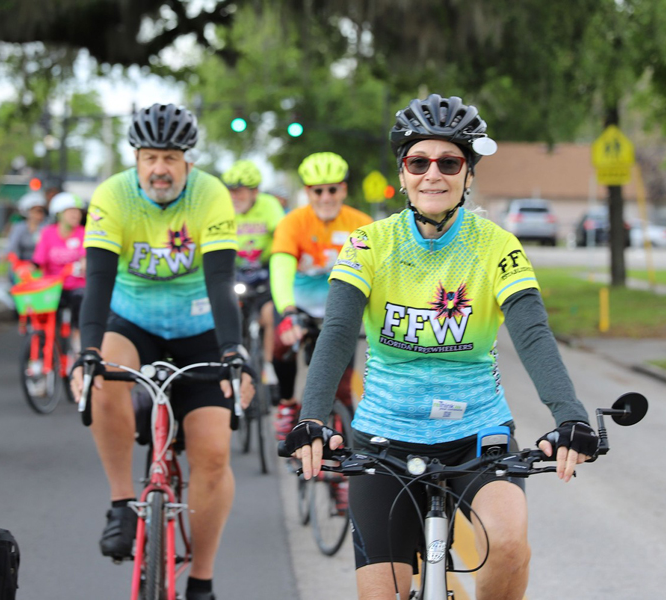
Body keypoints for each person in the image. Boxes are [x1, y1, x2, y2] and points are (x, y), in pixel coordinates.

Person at [281, 95, 596, 600]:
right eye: (418, 161)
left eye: (449, 162)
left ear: (468, 175)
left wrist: (569, 415)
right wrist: (312, 416)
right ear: (402, 173)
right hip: (385, 437)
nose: (433, 174)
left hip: (476, 433)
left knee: (510, 546)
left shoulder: (497, 245)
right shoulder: (368, 244)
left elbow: (532, 333)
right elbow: (337, 332)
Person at [70, 103, 254, 600]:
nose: (159, 169)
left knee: (212, 455)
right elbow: (99, 279)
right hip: (134, 321)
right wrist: (87, 351)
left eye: (170, 158)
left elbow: (221, 280)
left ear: (187, 161)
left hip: (200, 328)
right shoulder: (112, 195)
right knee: (103, 371)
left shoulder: (211, 194)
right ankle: (120, 501)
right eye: (150, 157)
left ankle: (202, 580)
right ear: (135, 158)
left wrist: (234, 352)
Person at [269, 152, 371, 441]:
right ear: (308, 192)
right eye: (318, 191)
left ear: (344, 190)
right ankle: (287, 402)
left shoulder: (360, 223)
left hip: (341, 312)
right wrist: (287, 311)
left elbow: (379, 275)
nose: (326, 197)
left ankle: (344, 458)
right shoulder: (292, 222)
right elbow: (280, 269)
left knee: (341, 387)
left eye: (332, 189)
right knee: (281, 344)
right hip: (298, 304)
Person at [220, 160, 285, 381]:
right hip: (236, 270)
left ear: (254, 191)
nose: (234, 197)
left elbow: (282, 236)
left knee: (268, 313)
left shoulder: (269, 206)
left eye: (239, 192)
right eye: (231, 191)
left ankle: (268, 367)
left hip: (264, 270)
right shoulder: (224, 208)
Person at [31, 191, 87, 353]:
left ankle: (78, 342)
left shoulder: (84, 233)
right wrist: (26, 270)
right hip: (53, 287)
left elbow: (86, 257)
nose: (76, 215)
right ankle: (44, 346)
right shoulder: (48, 233)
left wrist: (85, 264)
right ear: (60, 214)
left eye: (78, 211)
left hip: (76, 286)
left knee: (81, 301)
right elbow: (38, 260)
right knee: (42, 314)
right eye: (71, 211)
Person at [5, 191, 48, 274]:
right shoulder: (19, 227)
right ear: (28, 211)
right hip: (22, 264)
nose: (40, 214)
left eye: (41, 211)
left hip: (41, 265)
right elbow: (12, 246)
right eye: (37, 211)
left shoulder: (46, 228)